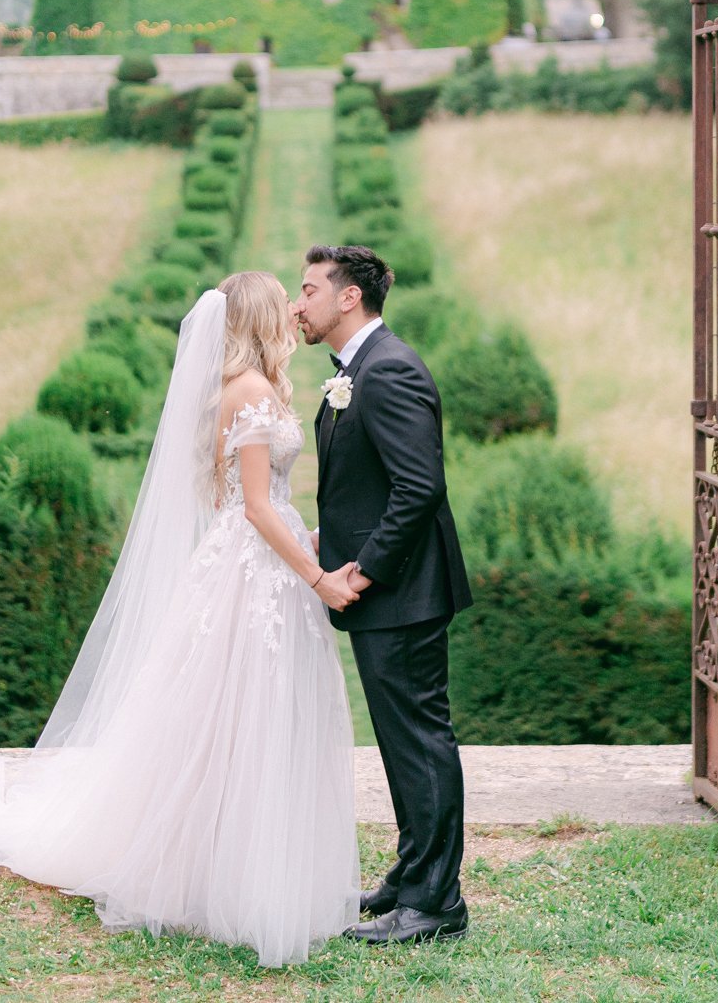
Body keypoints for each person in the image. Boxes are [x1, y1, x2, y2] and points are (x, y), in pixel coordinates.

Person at [0, 273, 362, 968]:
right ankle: (220, 872)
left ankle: (221, 860)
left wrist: (306, 540)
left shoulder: (248, 389)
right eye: (282, 300)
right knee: (237, 718)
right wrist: (314, 577)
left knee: (229, 720)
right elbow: (255, 505)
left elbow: (264, 502)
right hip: (254, 573)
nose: (292, 310)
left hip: (259, 564)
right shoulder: (250, 393)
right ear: (258, 319)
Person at [294, 243, 473, 947]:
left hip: (403, 594)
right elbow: (368, 484)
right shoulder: (356, 370)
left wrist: (359, 572)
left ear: (348, 298)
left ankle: (436, 904)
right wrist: (324, 539)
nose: (296, 303)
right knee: (402, 744)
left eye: (307, 289)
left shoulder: (389, 369)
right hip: (388, 595)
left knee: (422, 742)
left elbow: (420, 488)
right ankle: (411, 875)